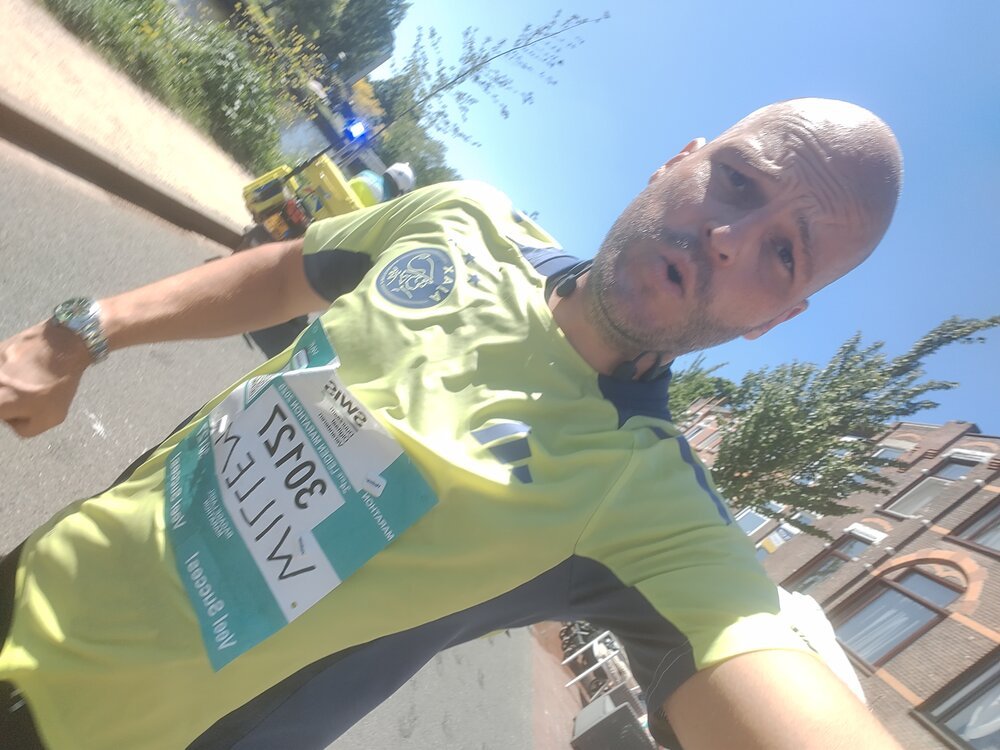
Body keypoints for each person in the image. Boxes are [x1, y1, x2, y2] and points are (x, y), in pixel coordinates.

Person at [0, 98, 905, 750]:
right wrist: (85, 331)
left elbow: (762, 682)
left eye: (784, 255)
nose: (730, 238)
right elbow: (285, 272)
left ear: (772, 320)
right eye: (739, 183)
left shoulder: (651, 505)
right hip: (30, 575)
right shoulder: (463, 218)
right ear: (678, 161)